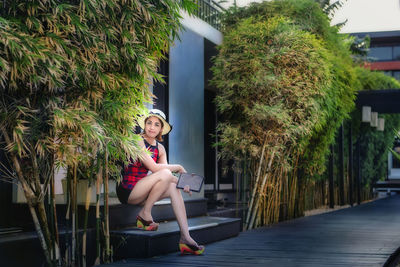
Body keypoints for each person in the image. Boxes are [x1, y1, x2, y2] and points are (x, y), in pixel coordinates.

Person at [116, 109, 205, 255]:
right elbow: (154, 168)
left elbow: (167, 177)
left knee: (172, 186)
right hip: (128, 191)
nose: (152, 127)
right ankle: (145, 213)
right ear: (144, 125)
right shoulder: (137, 140)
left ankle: (185, 237)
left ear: (161, 129)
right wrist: (179, 167)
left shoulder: (160, 148)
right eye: (149, 123)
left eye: (156, 124)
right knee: (165, 172)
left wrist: (183, 185)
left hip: (142, 192)